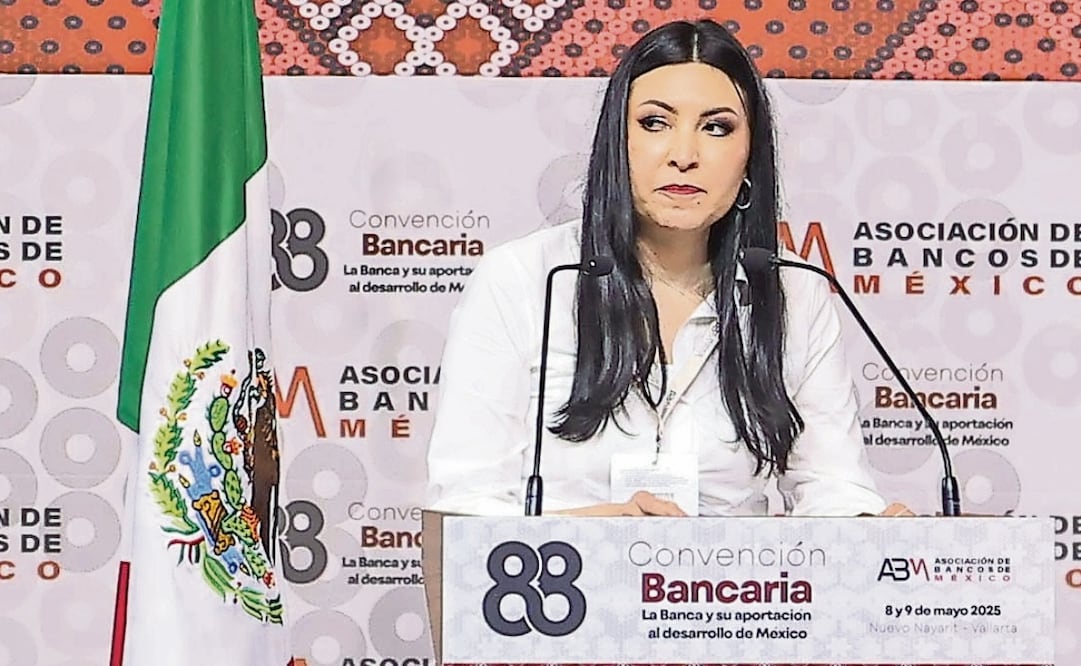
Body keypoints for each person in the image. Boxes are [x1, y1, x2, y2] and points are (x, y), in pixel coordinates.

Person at [425, 19, 908, 518]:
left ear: (749, 157)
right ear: (618, 141)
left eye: (716, 128)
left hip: (733, 589)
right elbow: (465, 508)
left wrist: (870, 532)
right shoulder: (524, 280)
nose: (684, 156)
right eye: (655, 123)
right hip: (559, 589)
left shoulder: (796, 292)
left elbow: (832, 485)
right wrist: (600, 532)